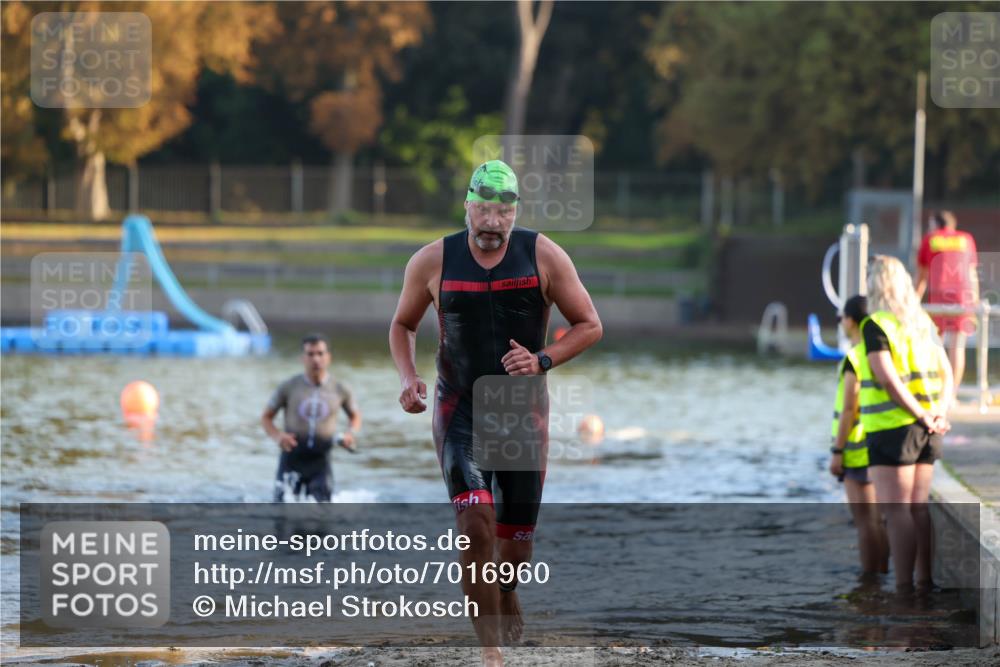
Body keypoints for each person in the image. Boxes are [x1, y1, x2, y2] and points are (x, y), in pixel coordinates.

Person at [389, 160, 602, 666]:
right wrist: (408, 378)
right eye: (482, 209)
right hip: (458, 408)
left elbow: (589, 324)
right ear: (467, 207)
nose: (491, 222)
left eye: (501, 212)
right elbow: (402, 325)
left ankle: (507, 589)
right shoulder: (432, 260)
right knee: (476, 521)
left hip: (521, 413)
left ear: (514, 214)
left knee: (514, 545)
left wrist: (542, 359)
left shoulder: (542, 255)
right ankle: (490, 652)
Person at [859, 255, 953, 594]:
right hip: (928, 429)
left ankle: (902, 590)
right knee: (918, 509)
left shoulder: (876, 324)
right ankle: (925, 582)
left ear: (875, 285)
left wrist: (919, 414)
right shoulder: (922, 322)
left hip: (894, 429)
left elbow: (887, 378)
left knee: (896, 511)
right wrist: (939, 413)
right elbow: (947, 372)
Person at [827, 295, 889, 577]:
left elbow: (849, 407)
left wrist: (838, 451)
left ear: (850, 321)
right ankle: (886, 575)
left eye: (842, 317)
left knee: (865, 522)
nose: (841, 322)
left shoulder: (855, 357)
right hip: (878, 442)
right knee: (879, 519)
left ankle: (869, 582)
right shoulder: (882, 349)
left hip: (856, 448)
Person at [261, 334, 361, 502]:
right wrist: (278, 436)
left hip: (320, 462)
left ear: (328, 357)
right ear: (302, 358)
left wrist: (350, 433)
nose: (316, 359)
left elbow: (355, 415)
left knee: (320, 518)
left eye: (320, 353)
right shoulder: (289, 386)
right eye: (310, 354)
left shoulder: (340, 389)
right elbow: (266, 417)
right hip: (291, 458)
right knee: (282, 516)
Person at [915, 210, 979, 401]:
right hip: (963, 297)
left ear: (935, 223)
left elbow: (922, 277)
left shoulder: (930, 239)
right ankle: (951, 396)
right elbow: (972, 273)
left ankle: (935, 392)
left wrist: (912, 301)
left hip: (939, 297)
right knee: (957, 349)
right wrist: (974, 300)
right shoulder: (966, 239)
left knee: (935, 346)